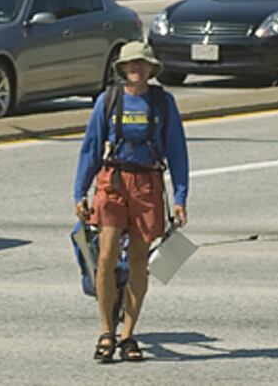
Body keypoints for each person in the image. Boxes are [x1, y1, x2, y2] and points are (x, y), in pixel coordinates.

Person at [73, 41, 189, 363]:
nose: (136, 69)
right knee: (106, 256)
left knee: (139, 261)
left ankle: (128, 335)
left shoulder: (163, 103)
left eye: (142, 64)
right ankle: (106, 330)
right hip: (111, 183)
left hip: (147, 185)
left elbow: (177, 151)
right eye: (131, 64)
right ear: (122, 68)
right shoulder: (107, 101)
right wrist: (79, 192)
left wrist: (180, 197)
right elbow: (90, 148)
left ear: (151, 69)